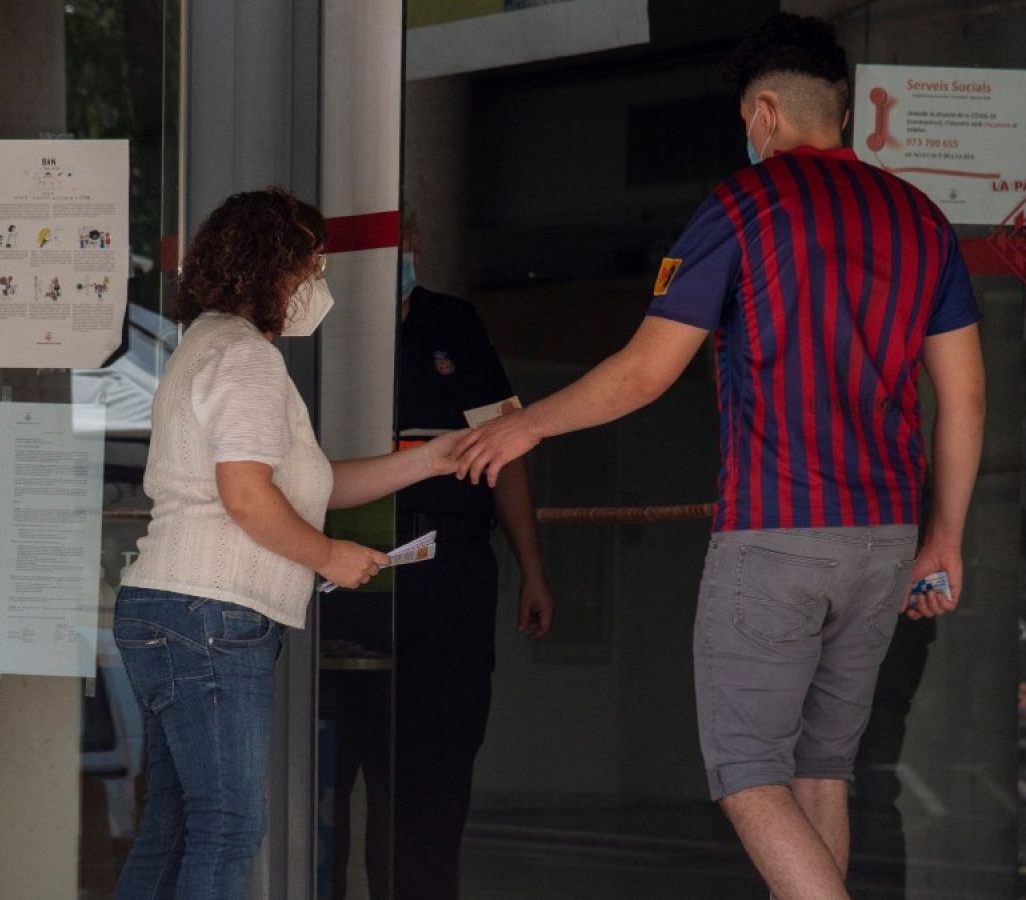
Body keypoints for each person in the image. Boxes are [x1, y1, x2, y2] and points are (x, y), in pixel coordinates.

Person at [453, 14, 984, 899]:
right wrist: (948, 536)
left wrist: (525, 427)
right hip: (886, 536)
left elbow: (643, 373)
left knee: (747, 774)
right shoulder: (920, 217)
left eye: (747, 120)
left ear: (766, 112)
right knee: (821, 771)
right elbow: (963, 395)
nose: (748, 134)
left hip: (775, 531)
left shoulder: (744, 205)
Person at [114, 188, 467, 899]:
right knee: (227, 826)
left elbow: (312, 483)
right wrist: (328, 555)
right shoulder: (247, 361)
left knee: (176, 825)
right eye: (313, 266)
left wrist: (431, 458)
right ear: (273, 269)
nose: (318, 285)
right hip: (212, 615)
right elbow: (248, 495)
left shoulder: (206, 345)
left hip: (169, 607)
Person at [326, 224, 555, 900]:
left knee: (429, 783)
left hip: (445, 570)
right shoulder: (316, 325)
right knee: (322, 783)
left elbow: (505, 451)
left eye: (405, 235)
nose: (396, 253)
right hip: (338, 568)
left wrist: (532, 567)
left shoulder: (452, 322)